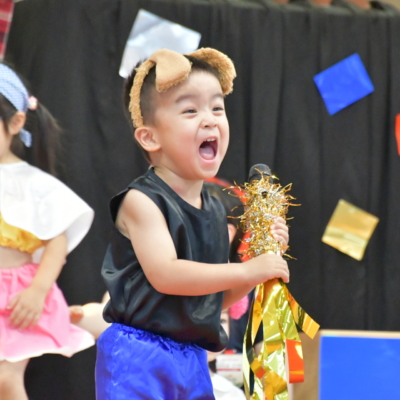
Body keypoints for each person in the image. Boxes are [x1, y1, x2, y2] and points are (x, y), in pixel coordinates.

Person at [96, 48, 290, 400]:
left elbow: (215, 299)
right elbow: (166, 274)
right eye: (190, 110)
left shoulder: (216, 210)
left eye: (217, 107)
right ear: (150, 137)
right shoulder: (141, 201)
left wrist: (258, 269)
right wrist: (247, 270)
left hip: (192, 358)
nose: (210, 120)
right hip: (139, 355)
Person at [0, 60, 95, 400]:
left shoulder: (35, 183)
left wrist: (39, 290)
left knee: (3, 380)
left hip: (14, 297)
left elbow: (56, 241)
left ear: (15, 122)